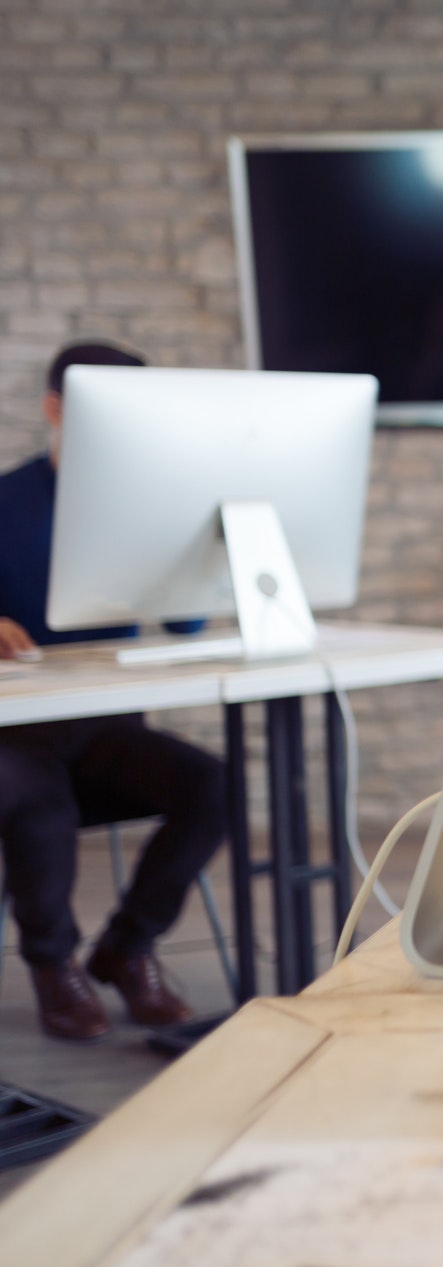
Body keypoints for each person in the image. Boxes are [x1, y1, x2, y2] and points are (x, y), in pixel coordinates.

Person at [0, 341, 228, 1042]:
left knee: (214, 787)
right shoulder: (6, 500)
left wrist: (201, 536)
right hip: (14, 733)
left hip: (106, 729)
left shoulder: (142, 502)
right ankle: (51, 964)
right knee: (39, 806)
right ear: (55, 410)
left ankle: (126, 947)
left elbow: (185, 621)